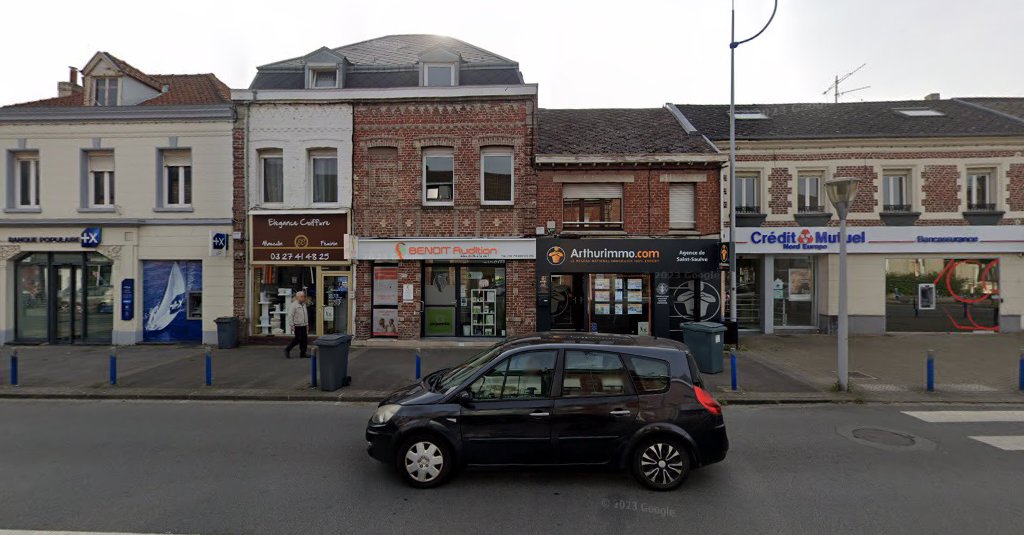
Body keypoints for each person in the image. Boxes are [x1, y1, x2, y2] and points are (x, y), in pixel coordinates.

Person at [284, 291, 309, 359]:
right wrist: (292, 325)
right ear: (297, 297)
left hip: (304, 325)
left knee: (304, 339)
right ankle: (287, 349)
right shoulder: (294, 305)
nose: (303, 298)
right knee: (298, 339)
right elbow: (290, 315)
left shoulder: (304, 304)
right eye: (302, 296)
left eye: (304, 296)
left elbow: (305, 315)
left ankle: (303, 353)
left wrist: (307, 324)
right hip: (297, 325)